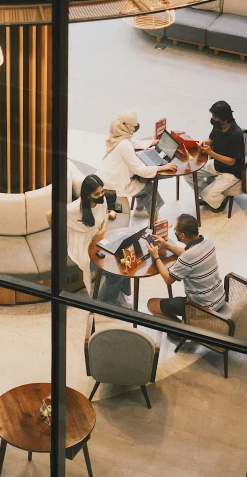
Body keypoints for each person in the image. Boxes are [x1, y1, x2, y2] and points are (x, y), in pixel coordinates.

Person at [47, 174, 131, 307]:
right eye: (97, 194)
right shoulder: (74, 209)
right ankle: (104, 303)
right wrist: (58, 236)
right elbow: (50, 215)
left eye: (102, 191)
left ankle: (121, 293)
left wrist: (102, 230)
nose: (101, 195)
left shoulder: (102, 201)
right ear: (87, 195)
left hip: (98, 237)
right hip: (82, 245)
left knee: (124, 258)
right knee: (115, 271)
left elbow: (103, 217)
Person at [146, 214, 224, 329]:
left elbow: (168, 279)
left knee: (151, 304)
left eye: (176, 231)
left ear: (182, 235)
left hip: (201, 308)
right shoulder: (208, 240)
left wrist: (156, 256)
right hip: (219, 297)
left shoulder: (187, 257)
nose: (175, 232)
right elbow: (187, 254)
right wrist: (166, 245)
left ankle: (180, 331)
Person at [96, 111, 177, 218]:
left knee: (141, 179)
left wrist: (153, 142)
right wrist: (162, 167)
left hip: (106, 179)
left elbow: (133, 142)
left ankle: (140, 206)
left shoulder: (116, 136)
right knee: (148, 187)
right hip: (115, 186)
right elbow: (140, 170)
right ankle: (155, 219)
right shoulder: (124, 145)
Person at [185, 101, 244, 213]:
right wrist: (204, 144)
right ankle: (209, 196)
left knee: (207, 195)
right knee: (189, 174)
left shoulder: (236, 134)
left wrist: (211, 153)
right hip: (217, 164)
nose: (212, 119)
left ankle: (220, 201)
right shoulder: (218, 126)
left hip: (231, 172)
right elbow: (210, 140)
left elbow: (231, 161)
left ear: (225, 118)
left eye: (215, 117)